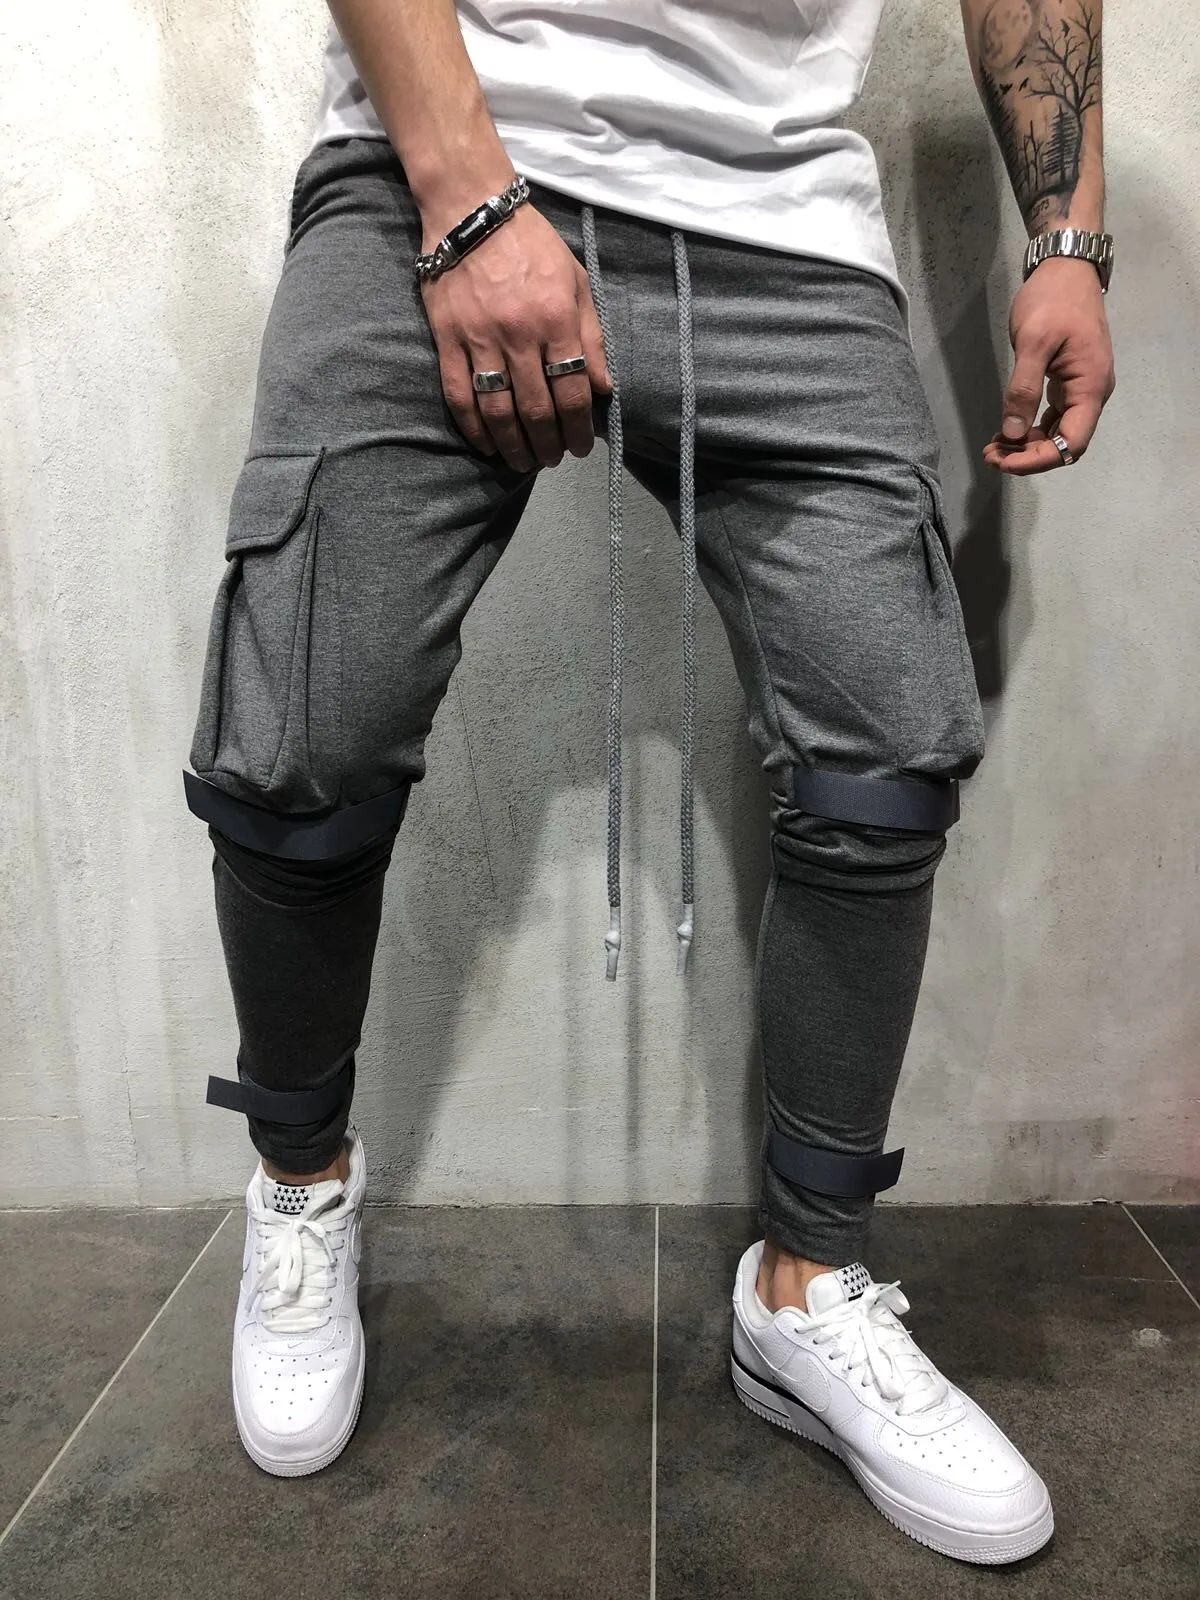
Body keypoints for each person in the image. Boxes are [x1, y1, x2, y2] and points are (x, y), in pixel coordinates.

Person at [183, 0, 1114, 1561]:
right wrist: (468, 194)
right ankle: (299, 1181)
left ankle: (806, 1287)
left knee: (886, 760)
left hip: (781, 220)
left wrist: (1069, 241)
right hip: (433, 159)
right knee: (303, 746)